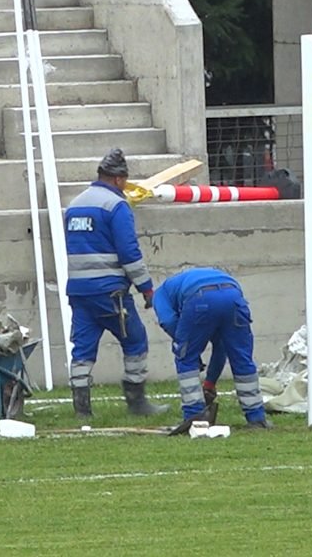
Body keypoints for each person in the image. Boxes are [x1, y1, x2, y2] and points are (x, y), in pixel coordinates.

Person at [64, 148, 168, 418]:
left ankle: (82, 410)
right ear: (119, 179)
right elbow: (129, 252)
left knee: (83, 348)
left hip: (78, 290)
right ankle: (137, 403)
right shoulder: (116, 205)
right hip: (110, 292)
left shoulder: (75, 205)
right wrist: (146, 287)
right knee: (135, 340)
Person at [152, 267, 272, 433]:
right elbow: (220, 348)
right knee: (242, 359)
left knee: (185, 359)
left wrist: (188, 347)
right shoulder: (186, 279)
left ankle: (194, 419)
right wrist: (209, 383)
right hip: (233, 296)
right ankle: (257, 418)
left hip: (199, 299)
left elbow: (168, 321)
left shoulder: (159, 294)